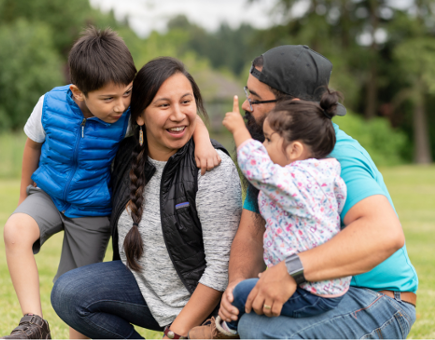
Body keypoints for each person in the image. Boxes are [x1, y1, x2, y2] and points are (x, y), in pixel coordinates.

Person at [1, 28, 221, 340]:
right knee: (15, 230)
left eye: (127, 94)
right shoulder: (49, 105)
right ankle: (33, 323)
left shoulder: (128, 113)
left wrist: (204, 143)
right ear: (78, 92)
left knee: (74, 289)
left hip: (91, 209)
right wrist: (24, 195)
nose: (120, 106)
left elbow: (181, 112)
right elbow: (32, 145)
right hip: (48, 194)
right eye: (108, 99)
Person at [213, 45, 417, 339]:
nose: (246, 106)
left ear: (291, 106)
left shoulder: (337, 155)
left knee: (259, 330)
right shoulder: (271, 154)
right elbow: (250, 234)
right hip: (316, 293)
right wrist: (236, 292)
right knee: (247, 321)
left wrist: (290, 271)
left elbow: (386, 233)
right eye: (247, 95)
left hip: (378, 300)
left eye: (255, 99)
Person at [50, 57, 242, 339]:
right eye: (163, 105)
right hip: (142, 289)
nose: (177, 114)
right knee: (68, 292)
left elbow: (220, 269)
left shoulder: (210, 167)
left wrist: (176, 333)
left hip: (197, 303)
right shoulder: (124, 154)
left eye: (186, 102)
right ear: (139, 115)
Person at [190, 91, 351, 339]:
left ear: (295, 150)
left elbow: (259, 170)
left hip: (310, 291)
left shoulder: (300, 180)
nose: (262, 146)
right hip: (322, 285)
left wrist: (239, 131)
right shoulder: (323, 173)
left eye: (267, 139)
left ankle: (225, 331)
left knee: (239, 294)